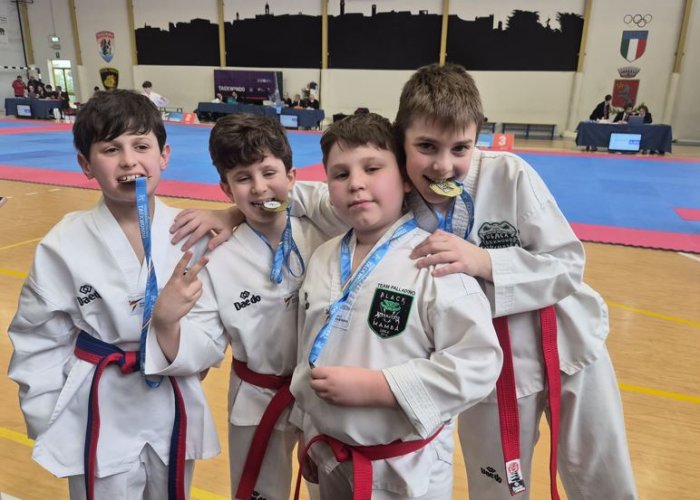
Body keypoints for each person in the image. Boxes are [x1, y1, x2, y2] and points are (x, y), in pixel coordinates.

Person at [172, 61, 640, 500]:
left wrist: (484, 261)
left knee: (600, 473)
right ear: (401, 146)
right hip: (485, 363)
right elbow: (294, 193)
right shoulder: (395, 195)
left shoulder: (507, 174)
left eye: (460, 148)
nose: (443, 166)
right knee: (497, 485)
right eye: (426, 148)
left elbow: (568, 265)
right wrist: (231, 213)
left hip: (565, 344)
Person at [7, 89, 225, 500]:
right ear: (86, 165)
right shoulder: (63, 242)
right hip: (96, 407)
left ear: (164, 156)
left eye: (141, 146)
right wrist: (51, 417)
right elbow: (37, 338)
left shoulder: (193, 233)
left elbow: (212, 331)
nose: (128, 161)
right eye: (111, 149)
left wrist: (172, 333)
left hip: (170, 400)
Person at [289, 112, 502, 498]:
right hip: (330, 454)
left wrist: (381, 387)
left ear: (405, 178)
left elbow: (479, 362)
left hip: (405, 471)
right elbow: (309, 351)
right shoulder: (322, 258)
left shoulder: (436, 261)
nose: (356, 183)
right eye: (340, 174)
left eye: (372, 168)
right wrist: (309, 425)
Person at [157, 112, 330, 500]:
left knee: (330, 488)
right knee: (260, 494)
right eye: (242, 178)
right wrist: (168, 324)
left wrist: (233, 212)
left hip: (323, 393)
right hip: (257, 394)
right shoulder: (216, 254)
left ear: (292, 175)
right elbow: (203, 341)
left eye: (269, 172)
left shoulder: (325, 229)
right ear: (225, 187)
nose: (259, 187)